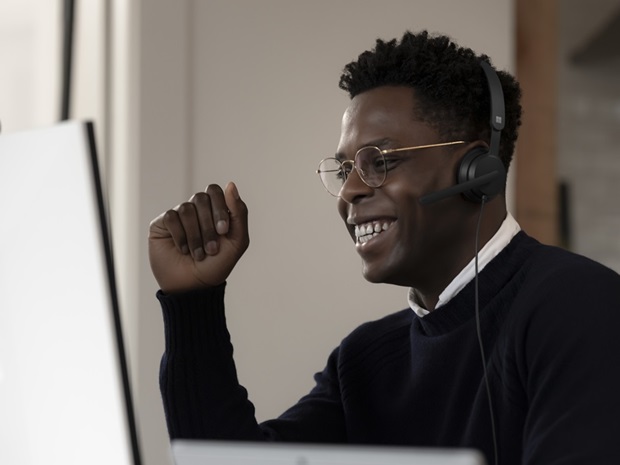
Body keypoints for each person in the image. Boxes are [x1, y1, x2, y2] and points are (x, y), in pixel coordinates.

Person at [148, 31, 620, 464]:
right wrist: (193, 303)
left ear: (476, 171)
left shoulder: (580, 307)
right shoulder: (364, 360)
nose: (350, 190)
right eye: (345, 168)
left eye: (379, 162)